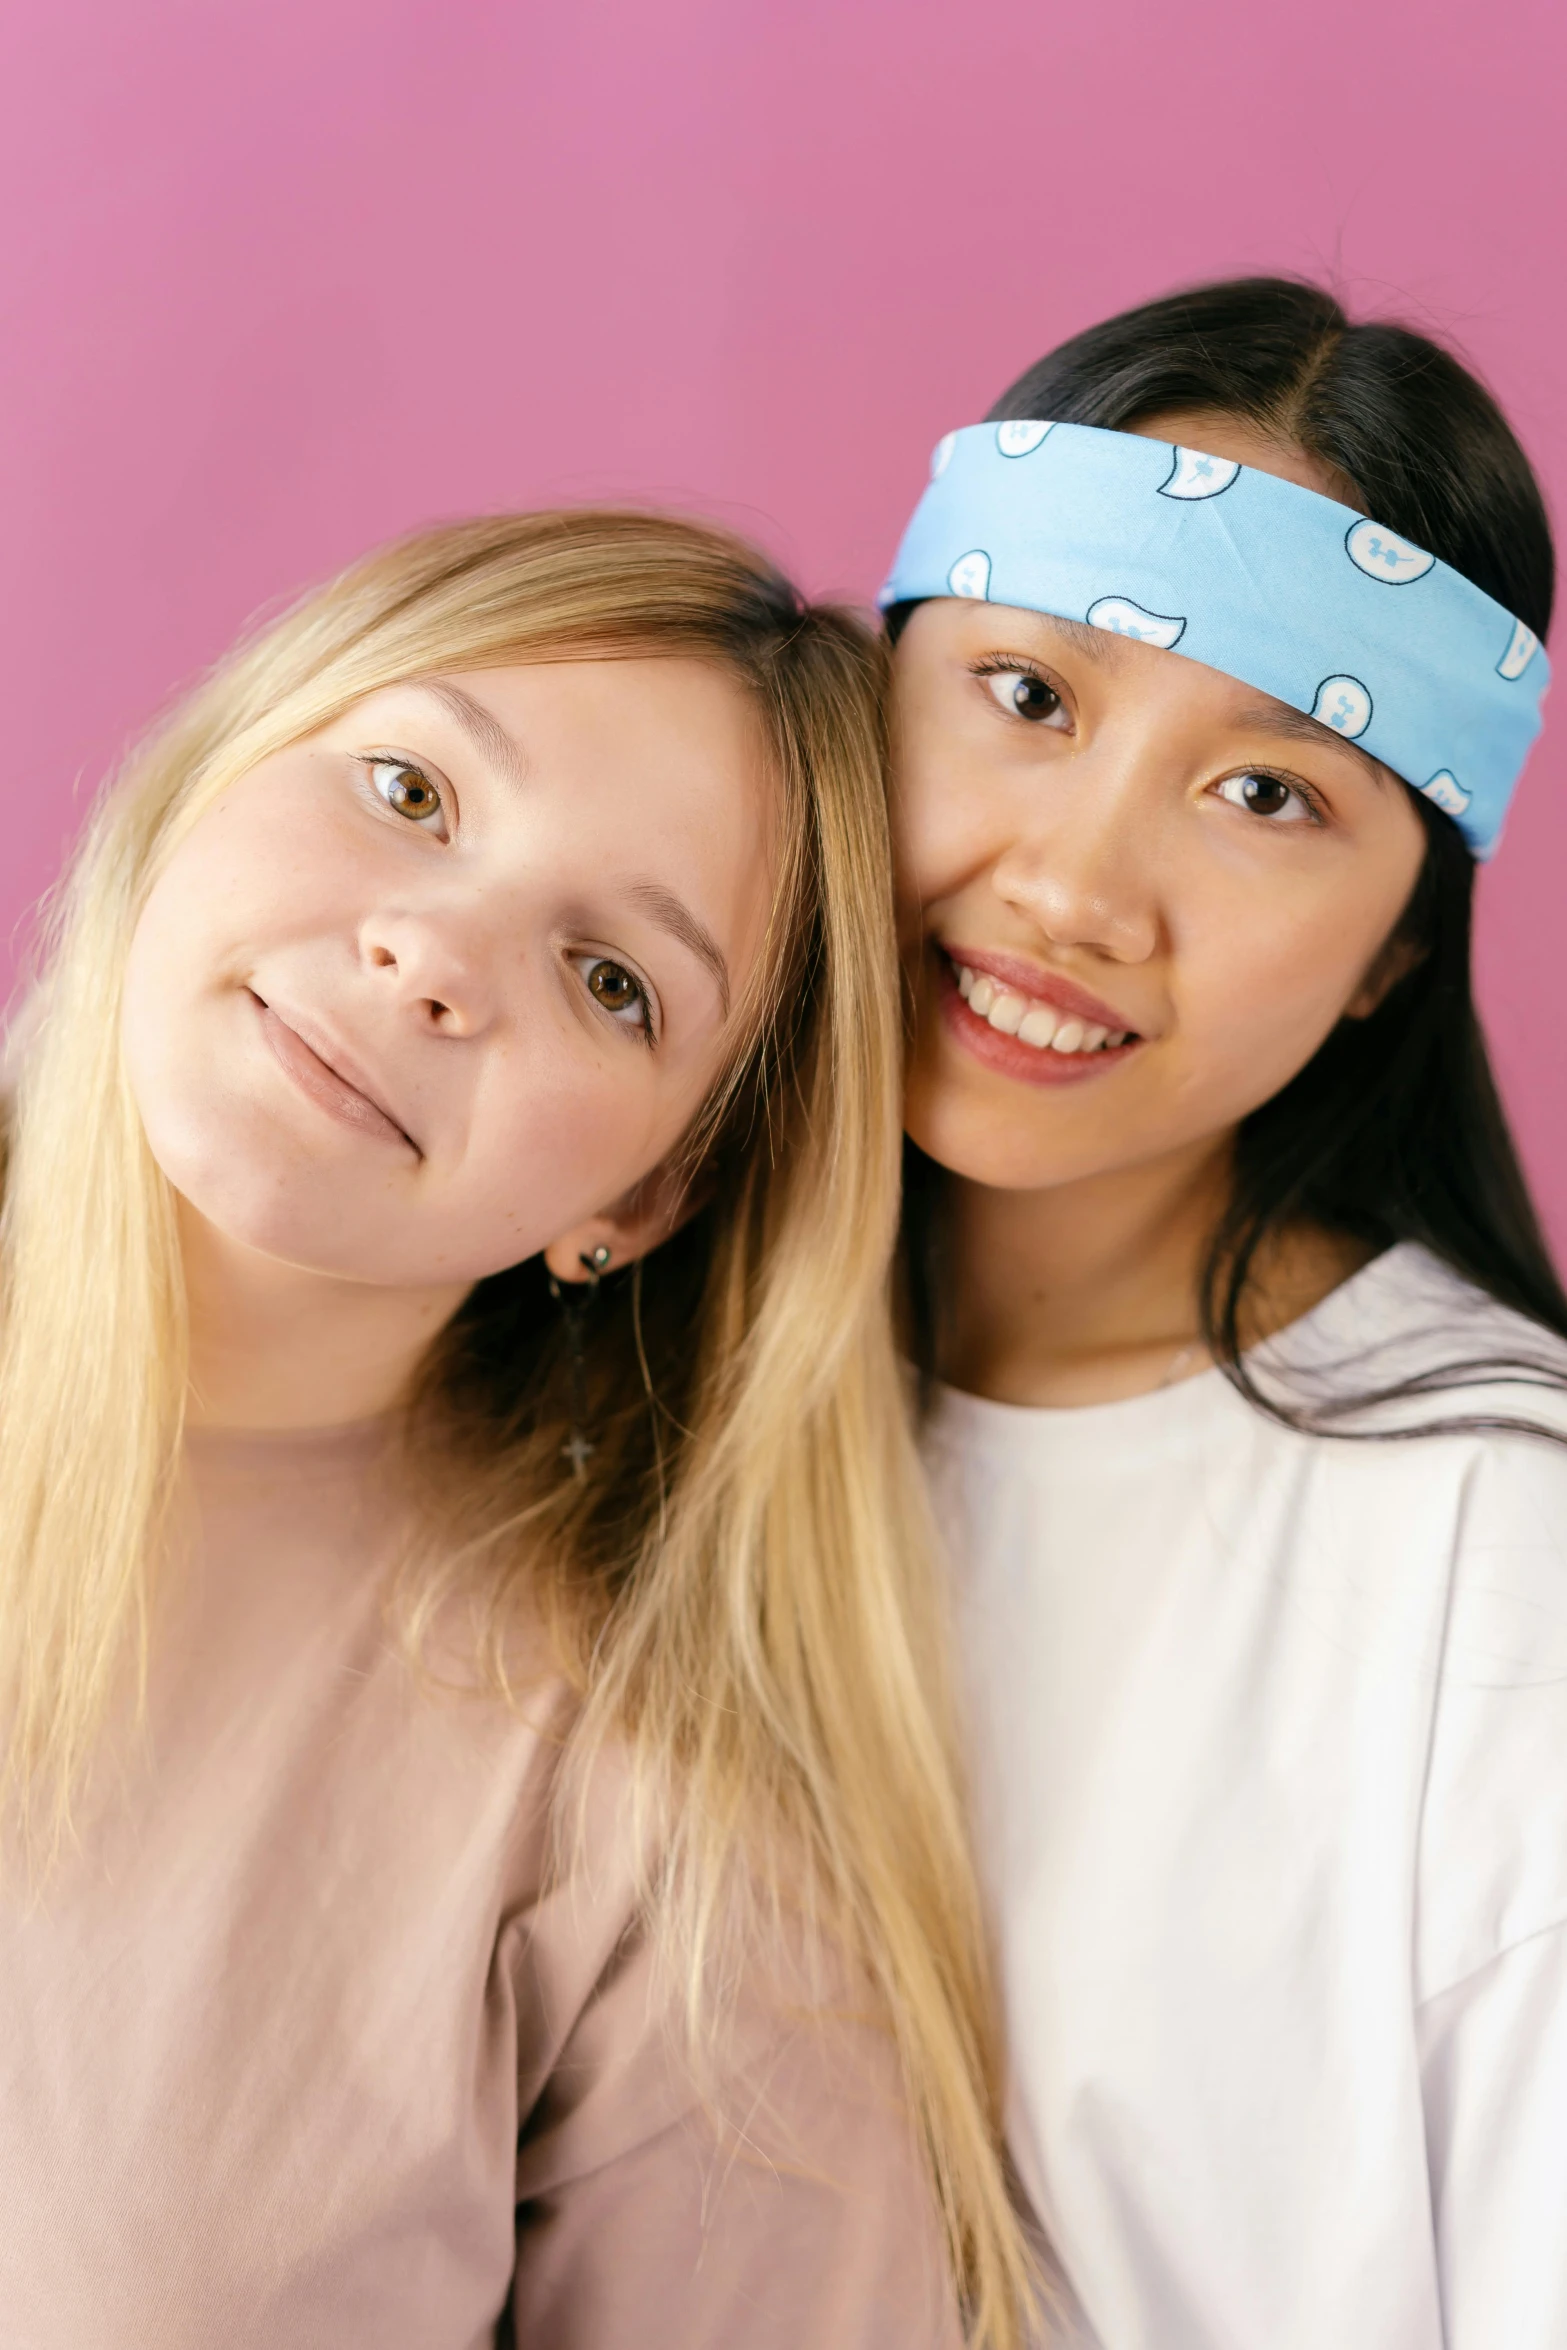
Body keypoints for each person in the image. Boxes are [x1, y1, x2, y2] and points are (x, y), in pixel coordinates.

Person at [0, 510, 1031, 2348]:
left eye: (612, 979)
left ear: (642, 1202)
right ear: (235, 742)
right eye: (409, 788)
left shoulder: (654, 1850)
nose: (434, 956)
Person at [882, 277, 1567, 2347]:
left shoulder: (1486, 1536)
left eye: (1270, 794)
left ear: (1387, 957)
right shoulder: (612, 1353)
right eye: (1030, 695)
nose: (1079, 888)